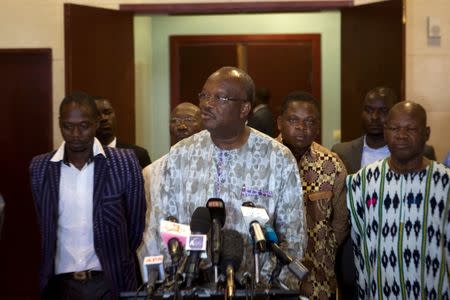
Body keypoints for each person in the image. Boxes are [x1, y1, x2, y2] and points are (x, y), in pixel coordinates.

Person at [140, 66, 306, 289]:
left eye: (219, 98)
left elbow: (293, 239)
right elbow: (161, 226)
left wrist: (265, 286)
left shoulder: (277, 158)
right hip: (191, 288)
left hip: (257, 289)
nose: (207, 104)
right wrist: (176, 281)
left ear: (244, 108)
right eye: (205, 95)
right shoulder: (180, 154)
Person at [29, 91, 146, 299]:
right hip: (60, 285)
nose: (75, 134)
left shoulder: (124, 162)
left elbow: (135, 225)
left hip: (111, 283)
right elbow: (44, 223)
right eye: (68, 126)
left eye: (83, 126)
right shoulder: (41, 168)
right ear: (60, 123)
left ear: (95, 124)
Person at [331, 87, 436, 299]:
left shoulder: (431, 166)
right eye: (369, 110)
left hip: (423, 275)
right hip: (366, 270)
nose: (374, 117)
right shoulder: (349, 163)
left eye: (382, 111)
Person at [276, 91, 348, 300]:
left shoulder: (331, 164)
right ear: (280, 122)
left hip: (319, 273)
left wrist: (327, 248)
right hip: (272, 273)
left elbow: (340, 220)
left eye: (309, 122)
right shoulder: (264, 159)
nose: (301, 128)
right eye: (293, 120)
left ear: (317, 127)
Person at [94, 97, 151, 168]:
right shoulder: (83, 156)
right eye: (97, 115)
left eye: (108, 113)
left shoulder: (138, 154)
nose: (104, 118)